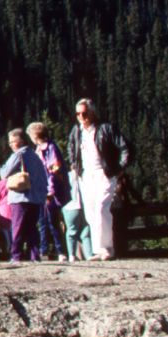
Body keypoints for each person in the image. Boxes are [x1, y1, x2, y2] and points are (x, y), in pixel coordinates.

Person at [66, 99, 130, 260]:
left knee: (102, 208)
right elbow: (71, 148)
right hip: (85, 175)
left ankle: (107, 248)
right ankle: (98, 250)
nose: (81, 116)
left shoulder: (106, 129)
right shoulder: (77, 131)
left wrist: (119, 168)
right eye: (78, 113)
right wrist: (74, 165)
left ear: (92, 112)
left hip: (105, 173)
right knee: (91, 212)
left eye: (84, 113)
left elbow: (124, 147)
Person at [0, 128, 47, 262]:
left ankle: (16, 256)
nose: (11, 145)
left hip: (20, 197)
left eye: (12, 141)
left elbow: (4, 173)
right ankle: (35, 256)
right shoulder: (35, 155)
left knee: (17, 228)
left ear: (20, 141)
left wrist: (1, 168)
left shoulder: (19, 155)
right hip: (36, 198)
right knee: (32, 228)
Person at [27, 121, 68, 260]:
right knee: (43, 221)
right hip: (41, 191)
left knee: (52, 222)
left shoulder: (50, 148)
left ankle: (60, 251)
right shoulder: (40, 148)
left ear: (35, 135)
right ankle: (44, 251)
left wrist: (50, 191)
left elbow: (54, 171)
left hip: (49, 192)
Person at [60, 167, 93, 261]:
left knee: (77, 231)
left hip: (74, 206)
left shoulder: (68, 175)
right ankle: (86, 255)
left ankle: (74, 255)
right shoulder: (81, 175)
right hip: (77, 206)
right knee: (82, 232)